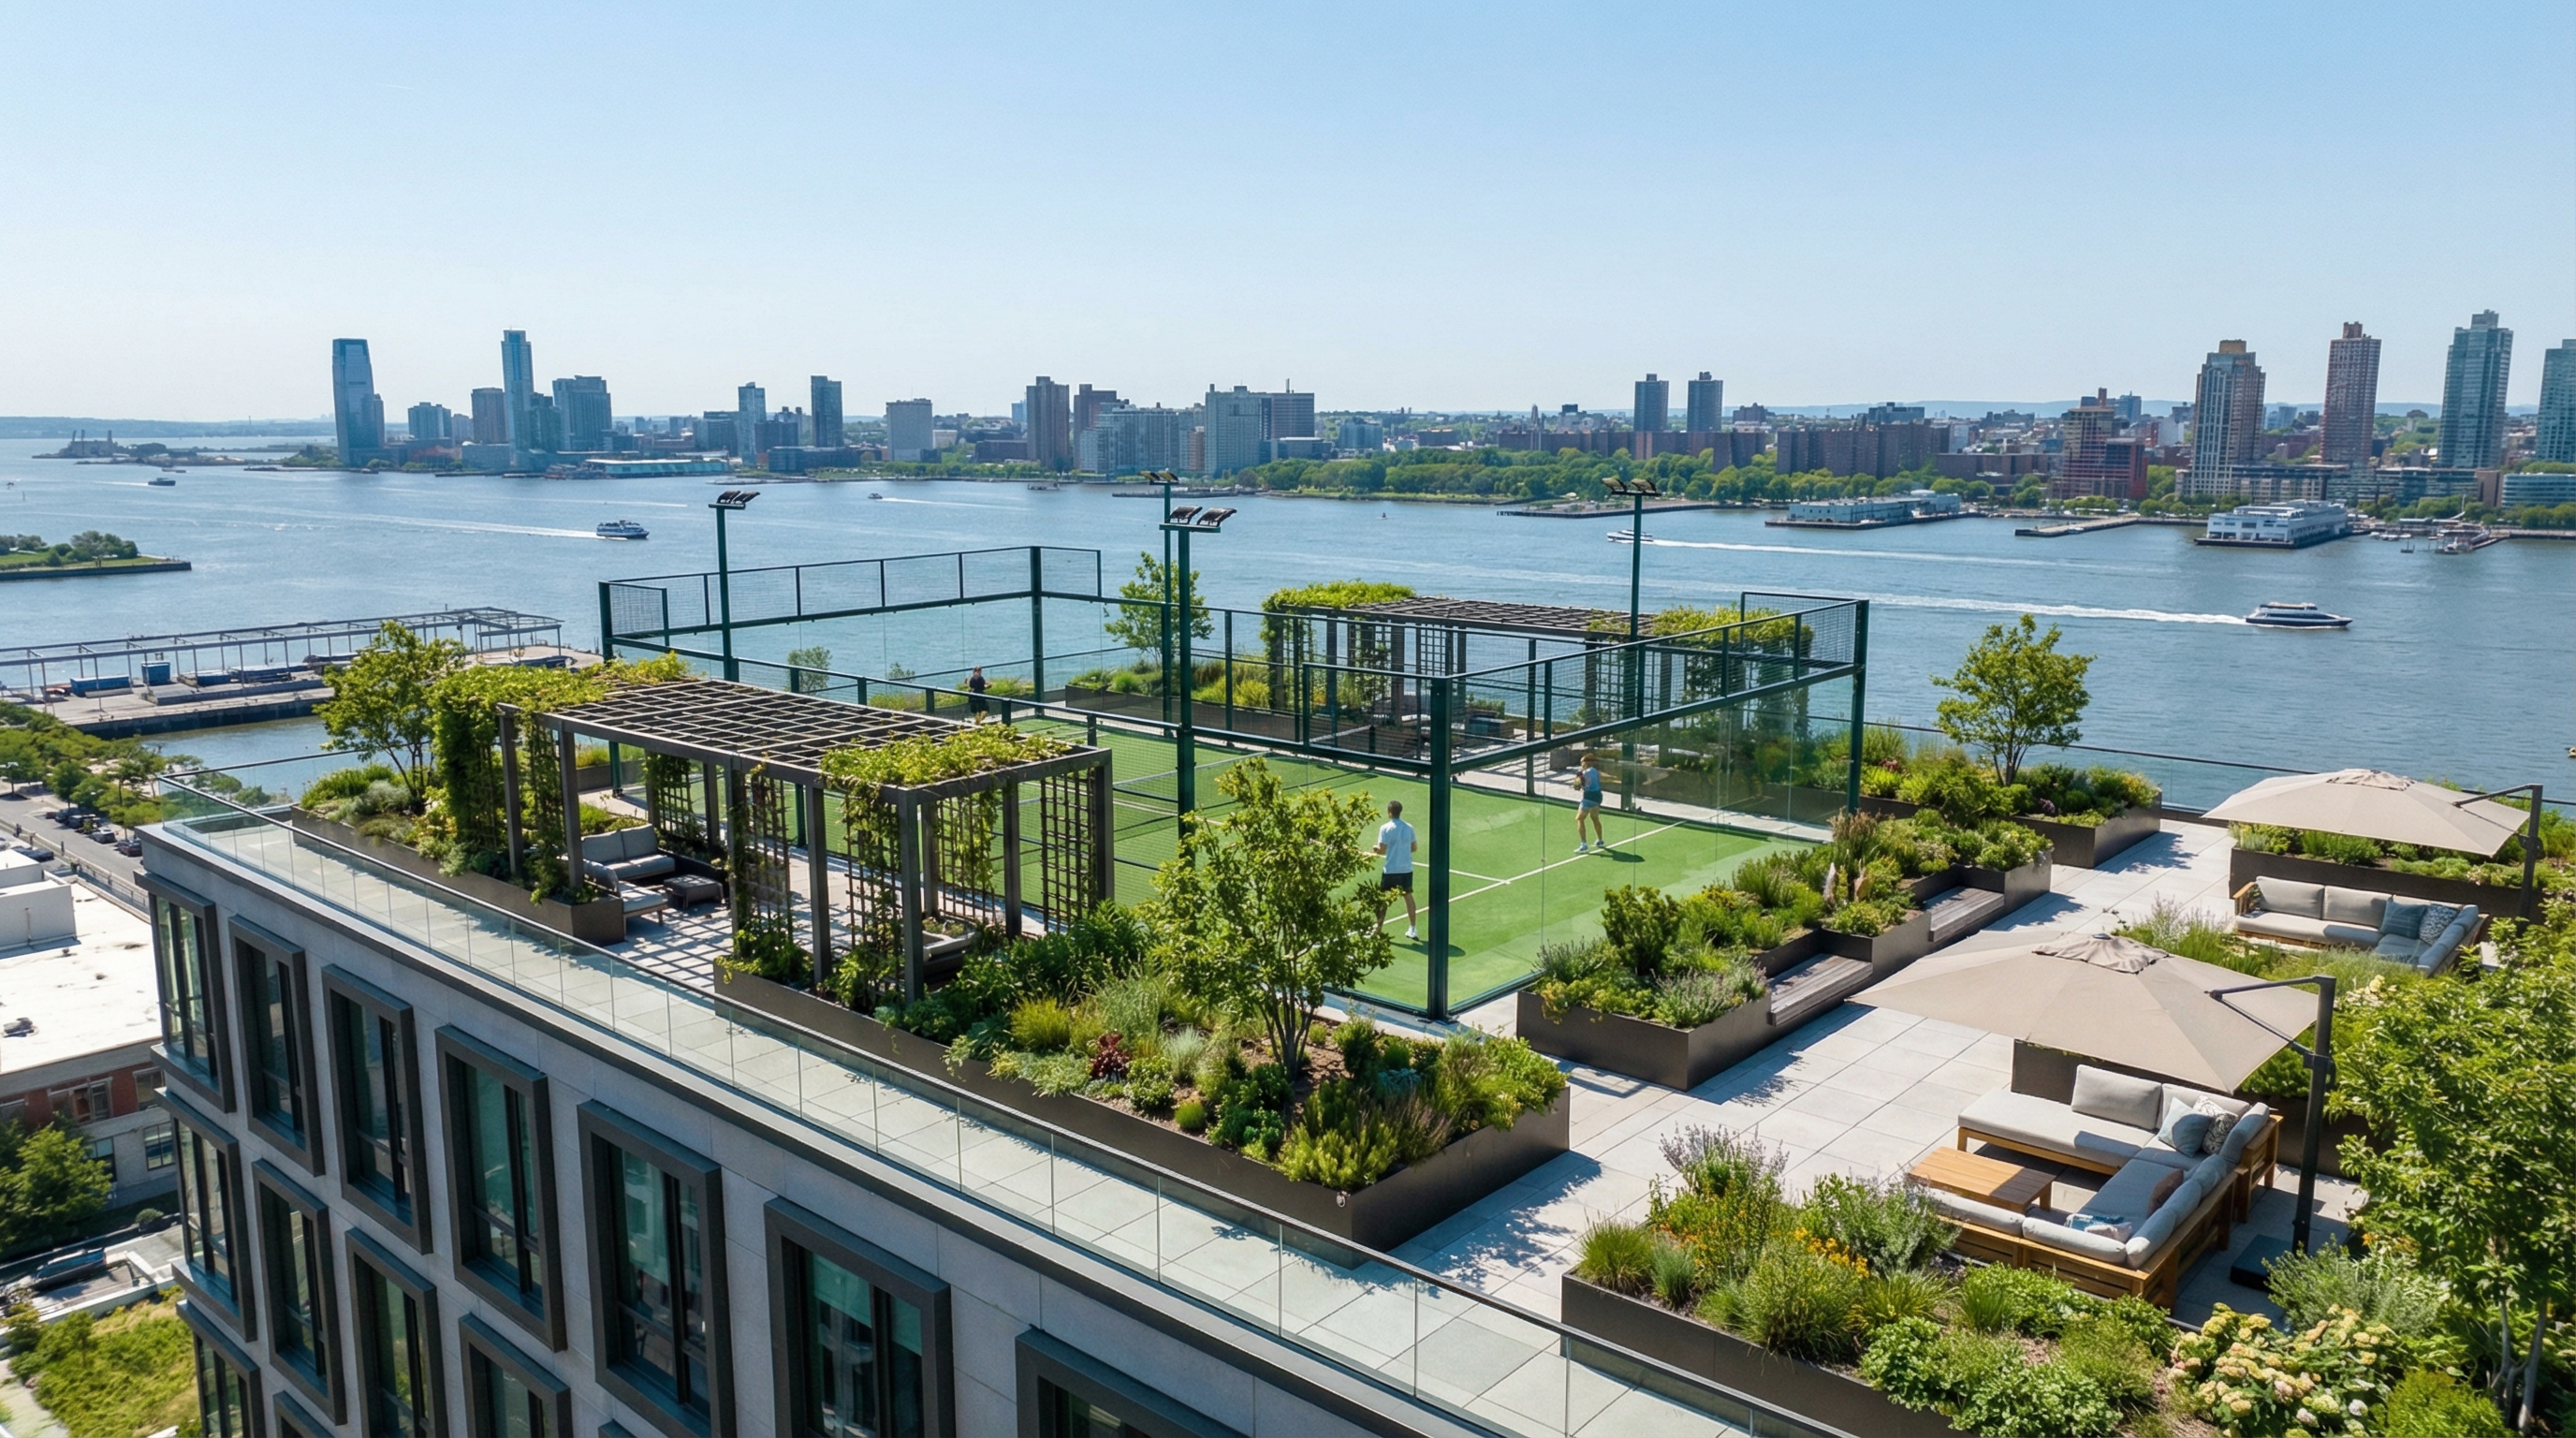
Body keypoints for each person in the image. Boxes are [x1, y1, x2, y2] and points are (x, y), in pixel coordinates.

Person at [1371, 798, 1419, 940]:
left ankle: (1378, 929)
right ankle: (1413, 929)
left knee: (1382, 898)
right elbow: (1414, 848)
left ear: (1390, 813)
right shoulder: (1409, 827)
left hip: (1391, 870)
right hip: (1406, 869)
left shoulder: (1385, 828)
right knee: (1408, 897)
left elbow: (1382, 850)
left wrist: (1375, 849)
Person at [1570, 752, 1606, 853]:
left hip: (1589, 797)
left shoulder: (1584, 773)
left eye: (1582, 762)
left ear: (1586, 763)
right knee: (1595, 818)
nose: (1581, 764)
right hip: (1598, 796)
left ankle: (1583, 845)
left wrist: (1578, 782)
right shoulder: (1596, 771)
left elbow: (1578, 784)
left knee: (1579, 819)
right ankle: (1600, 840)